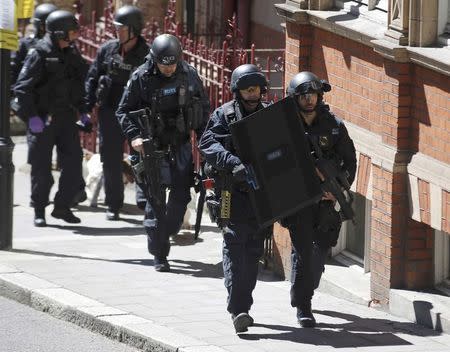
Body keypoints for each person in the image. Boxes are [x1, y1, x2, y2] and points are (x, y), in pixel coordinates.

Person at [116, 33, 210, 272]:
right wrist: (135, 136)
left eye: (173, 63)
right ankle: (160, 254)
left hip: (180, 145)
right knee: (156, 203)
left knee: (180, 199)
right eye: (164, 64)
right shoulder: (140, 77)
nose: (169, 68)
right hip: (151, 148)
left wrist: (206, 142)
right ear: (154, 60)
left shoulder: (188, 74)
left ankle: (166, 232)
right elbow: (123, 111)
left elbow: (202, 108)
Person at [198, 64, 271, 333]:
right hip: (230, 193)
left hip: (260, 196)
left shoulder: (269, 115)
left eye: (255, 89)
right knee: (233, 246)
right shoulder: (224, 115)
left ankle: (244, 305)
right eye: (246, 89)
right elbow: (207, 144)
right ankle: (237, 309)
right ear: (237, 91)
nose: (252, 94)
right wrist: (232, 162)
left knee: (253, 252)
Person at [284, 71, 356, 328]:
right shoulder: (285, 127)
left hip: (326, 201)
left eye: (313, 95)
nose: (309, 100)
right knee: (303, 252)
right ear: (295, 99)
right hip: (298, 201)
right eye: (303, 96)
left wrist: (337, 186)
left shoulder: (333, 126)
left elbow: (350, 161)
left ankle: (305, 288)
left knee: (319, 252)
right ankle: (304, 306)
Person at [14, 10, 90, 227]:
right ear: (60, 33)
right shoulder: (39, 53)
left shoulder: (71, 53)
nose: (75, 37)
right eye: (72, 33)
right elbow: (22, 88)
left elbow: (79, 86)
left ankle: (62, 207)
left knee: (74, 164)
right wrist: (32, 118)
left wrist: (83, 112)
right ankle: (39, 209)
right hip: (42, 119)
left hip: (66, 118)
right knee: (41, 169)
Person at [84, 5, 149, 220]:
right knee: (110, 160)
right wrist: (87, 106)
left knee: (142, 156)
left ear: (134, 30)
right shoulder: (108, 49)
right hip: (110, 112)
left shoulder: (148, 55)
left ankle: (144, 200)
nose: (117, 32)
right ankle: (113, 204)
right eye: (116, 28)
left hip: (136, 115)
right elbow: (93, 78)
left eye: (121, 28)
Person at [10, 3, 58, 87]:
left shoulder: (63, 44)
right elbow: (13, 71)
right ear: (40, 25)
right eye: (48, 25)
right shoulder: (25, 44)